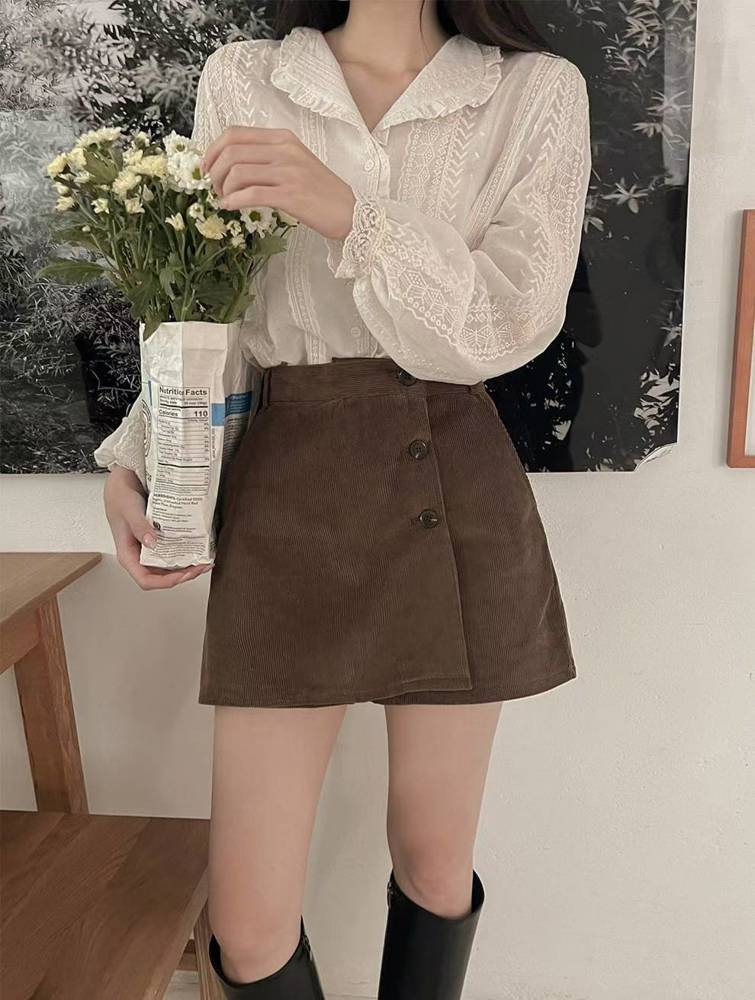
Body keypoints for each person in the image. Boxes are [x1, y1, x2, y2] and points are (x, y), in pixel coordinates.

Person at [96, 1, 591, 996]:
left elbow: (510, 320)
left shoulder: (533, 90)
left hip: (449, 480)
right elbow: (213, 304)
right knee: (246, 927)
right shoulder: (245, 79)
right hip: (288, 483)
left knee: (434, 863)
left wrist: (351, 213)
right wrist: (140, 460)